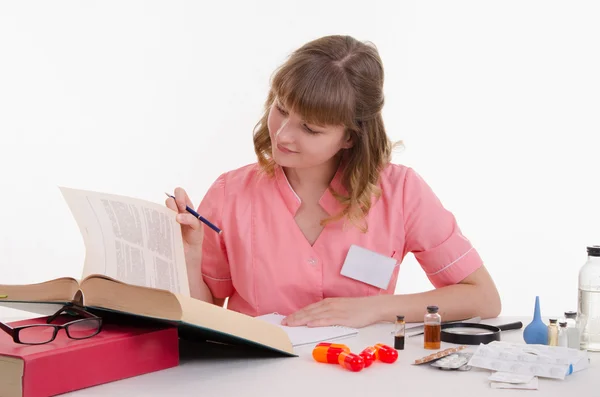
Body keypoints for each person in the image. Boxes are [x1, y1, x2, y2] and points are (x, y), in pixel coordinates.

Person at [166, 35, 501, 328]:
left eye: (310, 129)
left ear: (350, 137)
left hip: (359, 373)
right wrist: (190, 254)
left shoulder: (400, 192)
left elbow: (483, 298)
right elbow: (204, 315)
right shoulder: (231, 193)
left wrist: (375, 309)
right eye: (281, 110)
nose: (283, 135)